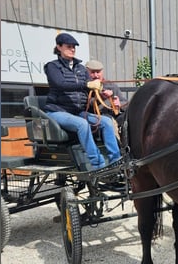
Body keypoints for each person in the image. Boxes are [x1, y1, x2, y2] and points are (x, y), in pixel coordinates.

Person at [42, 33, 121, 170]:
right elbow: (60, 84)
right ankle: (98, 165)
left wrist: (101, 92)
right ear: (59, 47)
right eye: (69, 46)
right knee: (82, 124)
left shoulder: (81, 68)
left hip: (77, 112)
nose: (72, 49)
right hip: (57, 111)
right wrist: (87, 85)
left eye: (74, 47)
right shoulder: (52, 67)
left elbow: (89, 87)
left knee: (106, 122)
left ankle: (116, 162)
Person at [85, 60, 128, 126]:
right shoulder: (84, 87)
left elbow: (126, 103)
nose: (96, 75)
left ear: (102, 72)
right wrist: (102, 97)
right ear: (87, 73)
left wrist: (119, 104)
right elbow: (88, 104)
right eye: (92, 72)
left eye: (98, 72)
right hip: (95, 118)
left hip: (115, 117)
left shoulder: (111, 85)